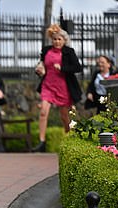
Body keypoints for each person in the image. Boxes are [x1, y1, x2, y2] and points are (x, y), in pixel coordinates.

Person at [34, 24, 82, 152]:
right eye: (54, 39)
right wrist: (39, 69)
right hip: (48, 85)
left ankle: (69, 136)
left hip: (63, 87)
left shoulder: (69, 52)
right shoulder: (46, 50)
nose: (57, 42)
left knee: (64, 116)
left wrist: (63, 68)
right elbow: (41, 64)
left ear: (64, 40)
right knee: (43, 112)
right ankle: (42, 142)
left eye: (59, 39)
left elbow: (78, 68)